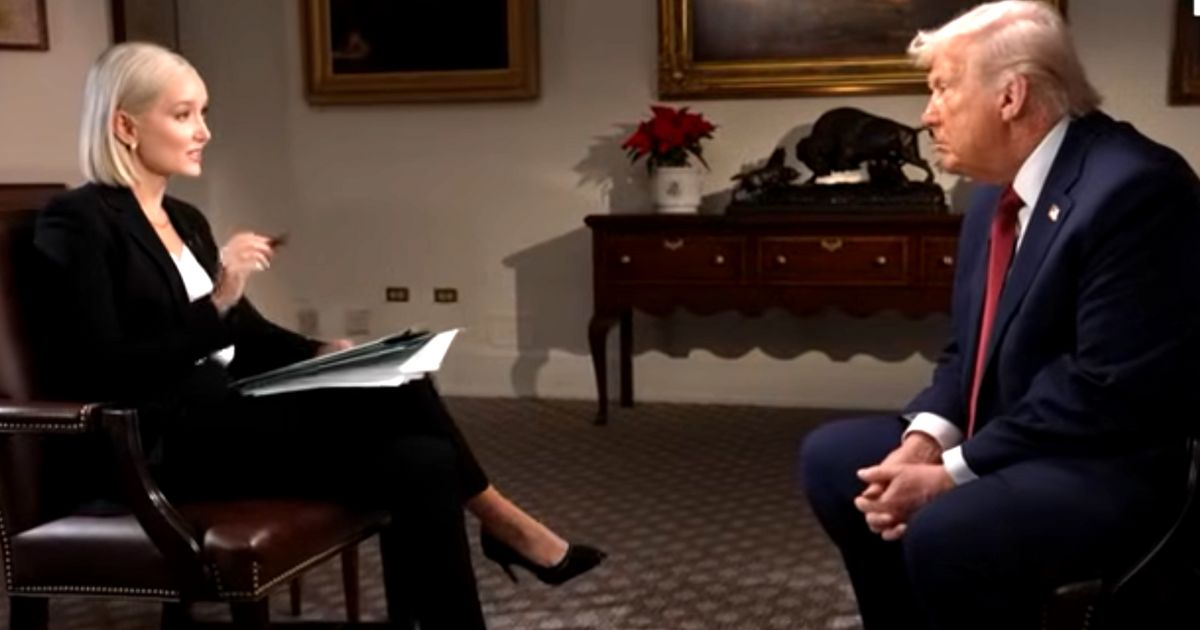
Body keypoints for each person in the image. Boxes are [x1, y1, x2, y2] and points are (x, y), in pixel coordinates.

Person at [33, 42, 605, 630]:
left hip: (226, 418)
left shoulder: (186, 220)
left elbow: (246, 335)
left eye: (203, 113)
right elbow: (100, 365)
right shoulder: (77, 221)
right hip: (159, 447)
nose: (204, 131)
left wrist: (321, 352)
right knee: (400, 393)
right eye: (183, 115)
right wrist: (218, 302)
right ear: (126, 127)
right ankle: (504, 522)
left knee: (423, 455)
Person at [799, 2, 1200, 629]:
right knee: (833, 461)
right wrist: (922, 444)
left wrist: (953, 471)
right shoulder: (994, 191)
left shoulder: (1136, 188)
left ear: (1010, 97)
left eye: (942, 89)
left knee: (947, 528)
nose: (927, 114)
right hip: (1017, 434)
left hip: (1107, 459)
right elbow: (968, 351)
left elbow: (1105, 388)